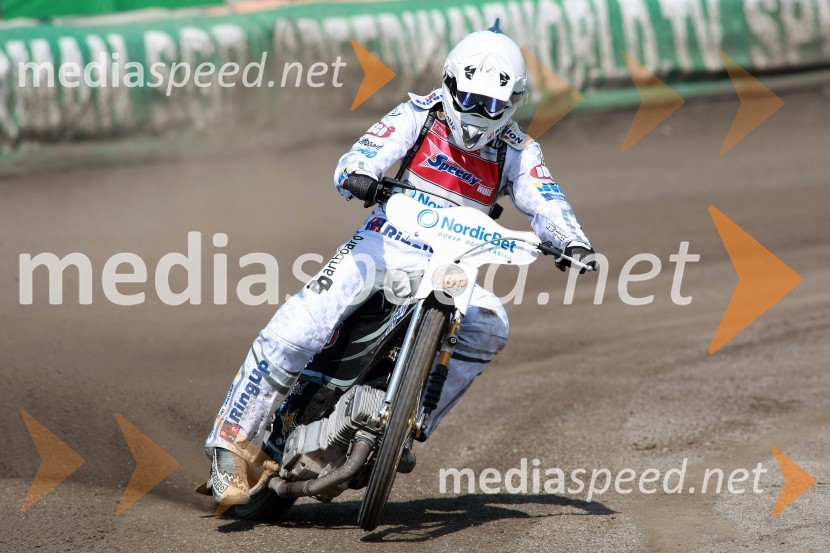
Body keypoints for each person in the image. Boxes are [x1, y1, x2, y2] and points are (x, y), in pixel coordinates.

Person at [204, 20, 596, 506]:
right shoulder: (419, 115)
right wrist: (359, 176)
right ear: (450, 85)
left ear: (513, 104)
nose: (479, 115)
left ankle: (412, 420)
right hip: (382, 246)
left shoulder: (517, 149)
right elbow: (364, 153)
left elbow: (548, 202)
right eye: (471, 99)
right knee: (303, 327)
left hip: (453, 265)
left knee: (492, 325)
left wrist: (572, 243)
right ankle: (230, 442)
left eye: (494, 105)